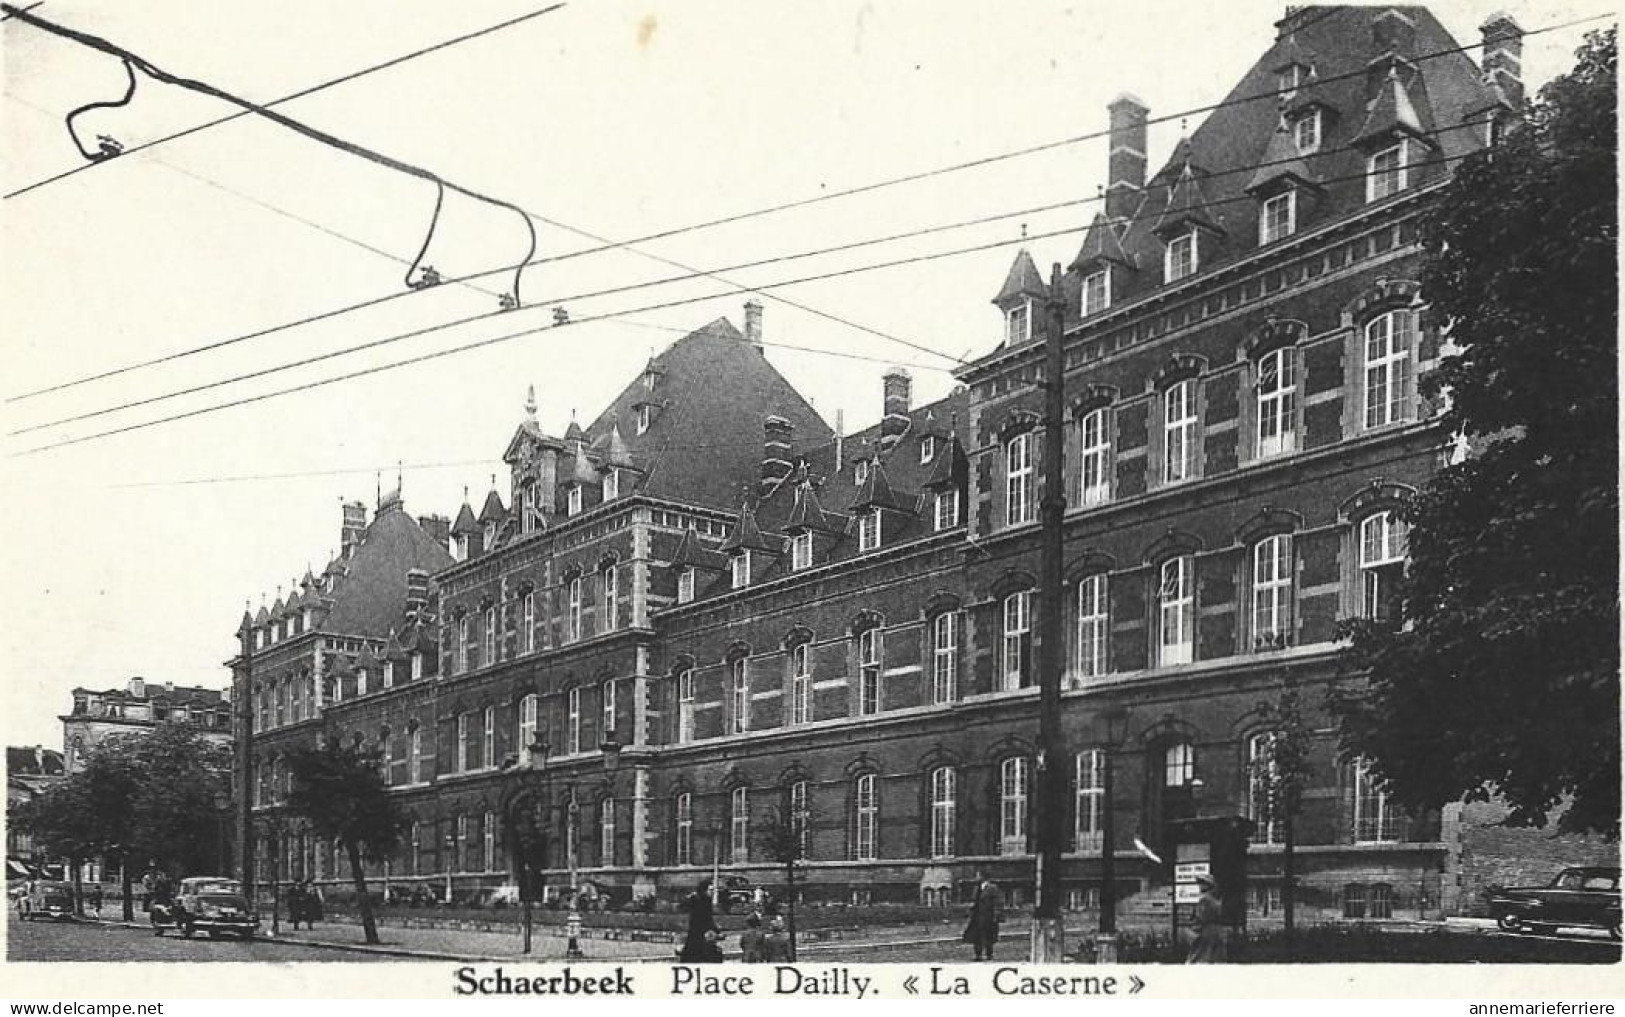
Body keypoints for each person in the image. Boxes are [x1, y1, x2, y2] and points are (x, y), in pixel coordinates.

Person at [1186, 872, 1230, 964]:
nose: (1200, 886)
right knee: (1216, 957)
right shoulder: (1215, 898)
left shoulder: (1204, 899)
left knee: (1200, 957)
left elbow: (1201, 916)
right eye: (1200, 883)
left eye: (1202, 883)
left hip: (1205, 931)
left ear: (1208, 885)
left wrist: (1194, 927)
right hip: (1216, 931)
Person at [678, 879, 724, 963]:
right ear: (704, 890)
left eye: (713, 890)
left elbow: (709, 918)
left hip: (699, 931)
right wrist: (716, 930)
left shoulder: (704, 899)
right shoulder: (700, 900)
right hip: (698, 931)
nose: (712, 892)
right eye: (710, 890)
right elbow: (705, 918)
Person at [962, 873, 1004, 961]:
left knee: (988, 935)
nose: (976, 878)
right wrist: (970, 911)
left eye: (978, 876)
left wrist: (996, 915)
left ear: (983, 877)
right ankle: (978, 955)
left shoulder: (992, 888)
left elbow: (997, 903)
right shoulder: (977, 888)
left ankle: (989, 954)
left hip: (988, 916)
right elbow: (974, 902)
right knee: (976, 936)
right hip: (977, 917)